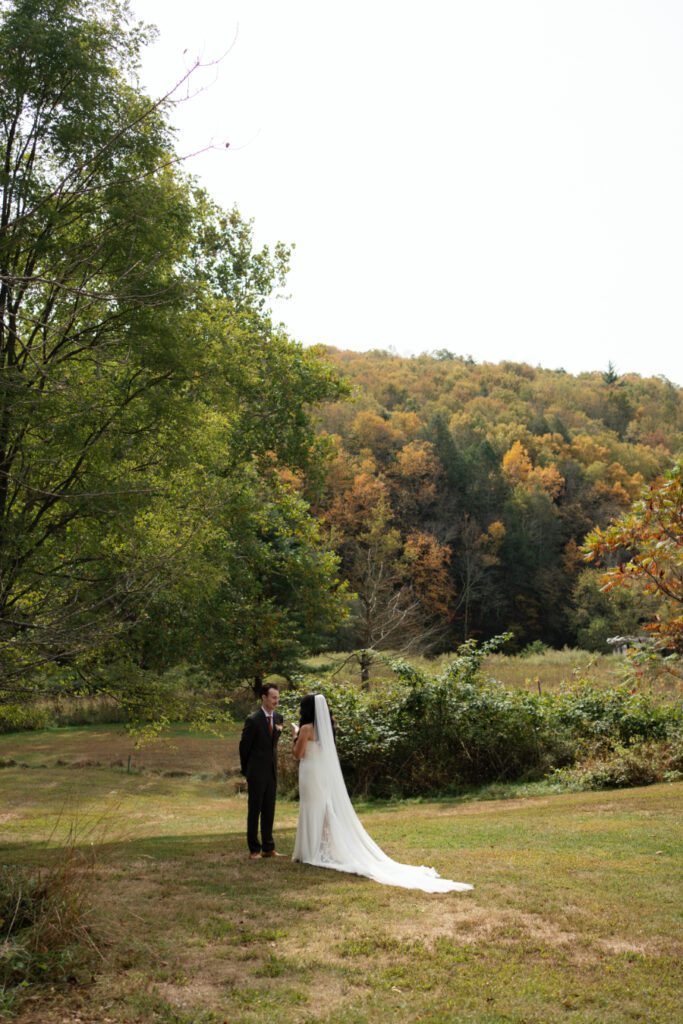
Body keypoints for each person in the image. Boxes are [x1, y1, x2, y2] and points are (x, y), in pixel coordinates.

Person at [291, 693, 472, 893]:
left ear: (306, 709)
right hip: (322, 773)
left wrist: (295, 735)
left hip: (310, 772)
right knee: (323, 809)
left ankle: (311, 851)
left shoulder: (307, 729)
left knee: (311, 808)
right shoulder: (327, 728)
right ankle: (321, 848)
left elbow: (298, 754)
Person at [239, 683, 285, 860]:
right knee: (255, 810)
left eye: (278, 698)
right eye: (273, 697)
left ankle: (268, 847)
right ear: (263, 698)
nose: (276, 701)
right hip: (256, 772)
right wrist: (247, 770)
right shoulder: (253, 719)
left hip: (272, 772)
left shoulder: (279, 718)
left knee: (269, 810)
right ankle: (254, 849)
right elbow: (244, 748)